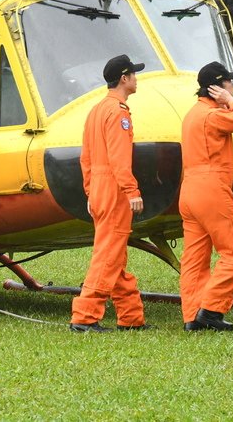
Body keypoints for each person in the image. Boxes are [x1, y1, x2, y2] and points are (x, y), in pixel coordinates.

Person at [70, 55, 152, 333]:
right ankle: (85, 316)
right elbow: (119, 158)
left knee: (114, 254)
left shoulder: (96, 110)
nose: (137, 79)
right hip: (115, 188)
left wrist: (91, 191)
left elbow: (86, 157)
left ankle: (130, 317)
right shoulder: (118, 112)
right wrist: (132, 190)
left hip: (100, 188)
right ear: (124, 78)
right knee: (108, 255)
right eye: (135, 75)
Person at [180, 62, 233, 331]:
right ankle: (211, 310)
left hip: (189, 190)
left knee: (194, 258)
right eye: (229, 83)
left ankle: (192, 315)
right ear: (216, 87)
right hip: (211, 189)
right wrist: (231, 101)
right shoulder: (213, 115)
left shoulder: (192, 114)